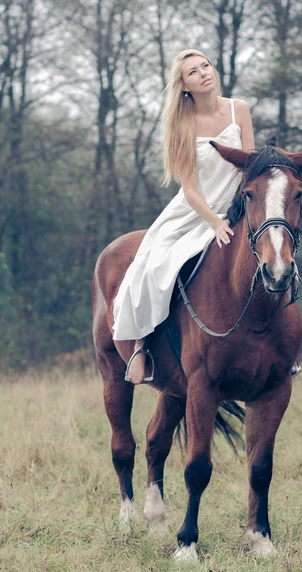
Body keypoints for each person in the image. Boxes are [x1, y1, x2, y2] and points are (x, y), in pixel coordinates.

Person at [112, 48, 255, 384]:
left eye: (205, 65)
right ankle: (141, 345)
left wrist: (241, 212)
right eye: (193, 71)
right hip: (198, 211)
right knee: (157, 263)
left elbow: (251, 165)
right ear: (184, 85)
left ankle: (282, 351)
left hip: (238, 205)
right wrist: (215, 222)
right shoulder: (182, 124)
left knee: (276, 255)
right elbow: (189, 189)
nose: (204, 72)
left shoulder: (240, 109)